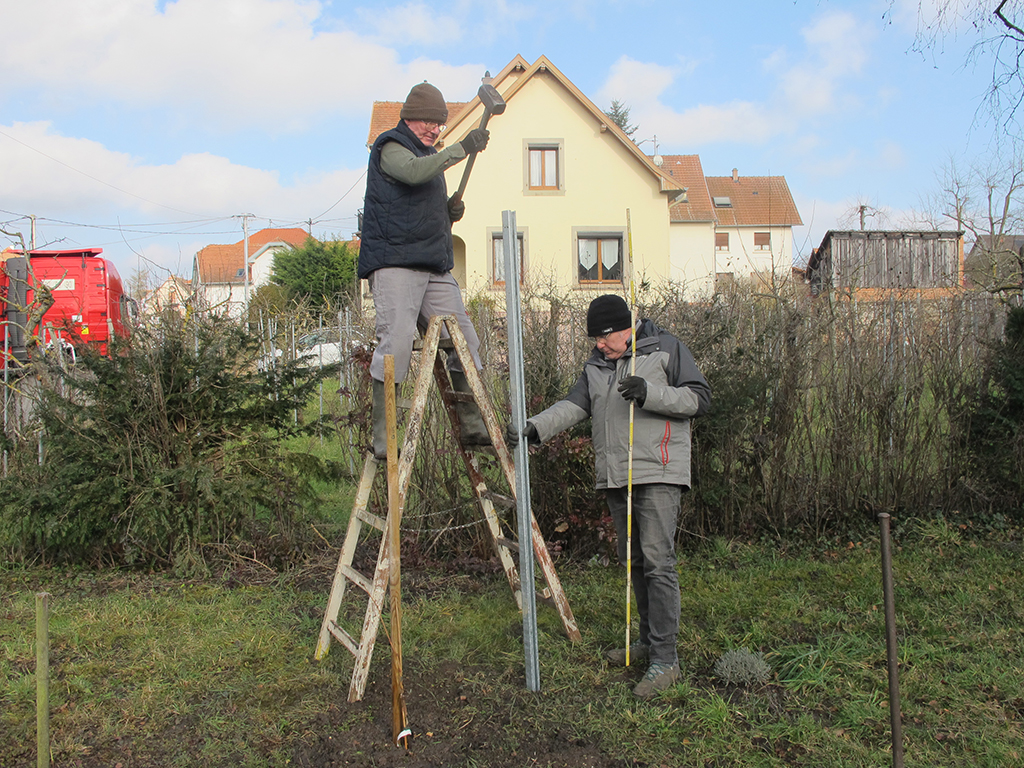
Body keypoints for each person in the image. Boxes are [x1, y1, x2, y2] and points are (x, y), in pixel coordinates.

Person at [507, 294, 711, 699]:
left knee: (658, 564)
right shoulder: (597, 365)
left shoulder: (666, 348)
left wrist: (650, 393)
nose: (599, 345)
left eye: (603, 337)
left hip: (659, 472)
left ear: (624, 328)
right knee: (635, 562)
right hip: (617, 477)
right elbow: (574, 405)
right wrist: (535, 427)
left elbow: (699, 398)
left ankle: (666, 660)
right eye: (595, 340)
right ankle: (649, 644)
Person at [358, 81, 492, 459]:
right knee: (397, 344)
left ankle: (473, 423)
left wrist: (445, 213)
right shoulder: (390, 147)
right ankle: (385, 437)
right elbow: (413, 173)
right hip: (395, 263)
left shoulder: (430, 156)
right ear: (410, 117)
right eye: (429, 122)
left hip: (433, 265)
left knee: (465, 341)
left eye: (439, 124)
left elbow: (416, 207)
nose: (434, 130)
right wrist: (461, 148)